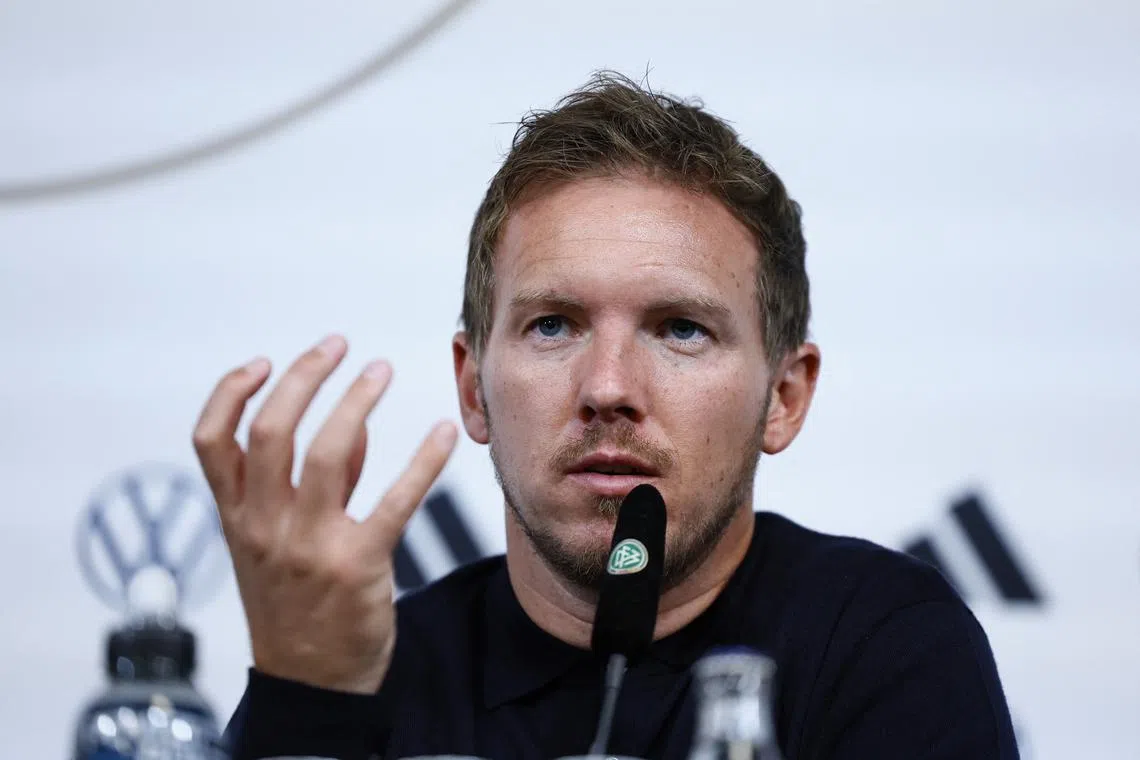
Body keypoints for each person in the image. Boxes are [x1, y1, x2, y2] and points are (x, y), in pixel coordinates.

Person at [195, 72, 1019, 759]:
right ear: (474, 389)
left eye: (681, 329)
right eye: (553, 325)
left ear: (784, 397)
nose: (608, 386)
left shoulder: (883, 643)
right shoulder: (355, 670)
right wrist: (306, 703)